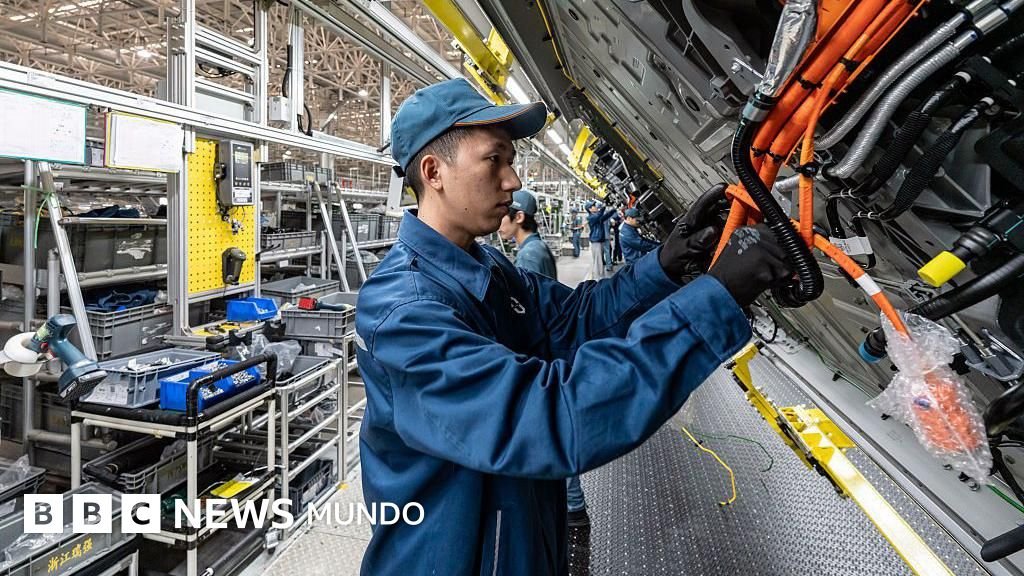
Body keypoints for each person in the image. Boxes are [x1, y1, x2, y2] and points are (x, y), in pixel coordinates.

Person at [355, 77, 794, 575]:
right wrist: (714, 300)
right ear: (434, 172)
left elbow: (572, 319)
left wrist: (665, 264)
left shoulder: (488, 269)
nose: (512, 180)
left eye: (511, 161)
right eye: (494, 160)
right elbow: (546, 417)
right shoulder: (404, 312)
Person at [498, 189, 558, 280]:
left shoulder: (527, 256)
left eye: (501, 216)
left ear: (519, 217)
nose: (497, 223)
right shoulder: (539, 246)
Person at [586, 200, 617, 279]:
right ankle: (598, 279)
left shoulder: (596, 217)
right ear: (590, 209)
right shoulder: (591, 217)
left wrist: (614, 210)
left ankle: (600, 277)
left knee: (599, 261)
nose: (595, 207)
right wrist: (604, 206)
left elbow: (605, 216)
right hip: (596, 241)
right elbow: (600, 215)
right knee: (598, 261)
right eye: (593, 206)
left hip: (599, 240)